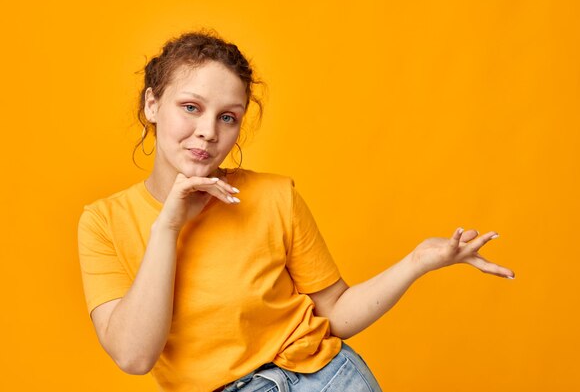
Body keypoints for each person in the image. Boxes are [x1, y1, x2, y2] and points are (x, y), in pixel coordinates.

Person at [77, 29, 515, 392]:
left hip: (329, 381)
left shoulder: (274, 197)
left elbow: (334, 314)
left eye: (228, 117)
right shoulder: (102, 223)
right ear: (152, 104)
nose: (208, 132)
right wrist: (168, 225)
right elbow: (134, 356)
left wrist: (420, 260)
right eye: (190, 108)